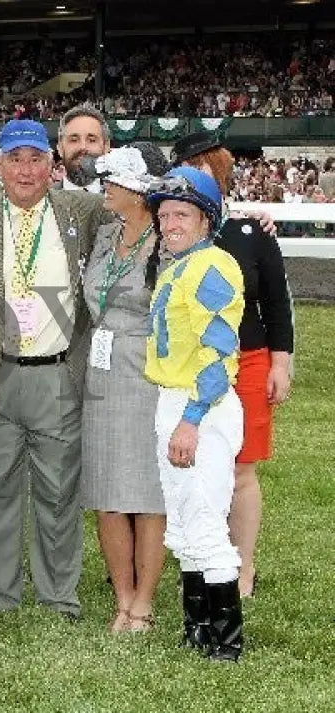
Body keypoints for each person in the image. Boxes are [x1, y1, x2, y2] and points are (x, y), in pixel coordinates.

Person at [0, 119, 107, 619]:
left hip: (58, 373)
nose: (25, 170)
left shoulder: (82, 211)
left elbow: (145, 201)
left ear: (54, 166)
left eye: (36, 159)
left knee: (58, 491)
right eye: (15, 159)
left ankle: (58, 596)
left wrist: (247, 218)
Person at [172, 131, 294, 599]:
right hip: (191, 366)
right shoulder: (173, 232)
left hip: (248, 361)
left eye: (207, 168)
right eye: (190, 168)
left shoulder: (251, 233)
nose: (200, 178)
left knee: (241, 471)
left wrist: (280, 365)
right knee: (196, 469)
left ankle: (243, 570)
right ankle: (201, 561)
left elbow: (277, 305)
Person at [144, 166, 246, 662]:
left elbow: (219, 351)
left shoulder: (212, 266)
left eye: (181, 214)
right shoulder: (179, 266)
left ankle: (227, 641)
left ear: (206, 220)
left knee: (204, 518)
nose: (170, 224)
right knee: (183, 521)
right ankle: (198, 628)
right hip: (174, 399)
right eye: (164, 215)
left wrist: (192, 417)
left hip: (200, 405)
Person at [80, 144, 169, 632]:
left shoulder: (166, 238)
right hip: (102, 370)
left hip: (149, 370)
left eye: (113, 181)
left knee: (148, 490)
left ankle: (145, 602)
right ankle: (122, 598)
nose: (105, 188)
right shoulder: (105, 232)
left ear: (139, 191)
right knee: (107, 486)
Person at [56, 105, 110, 193]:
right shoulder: (41, 200)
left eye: (91, 140)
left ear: (106, 147)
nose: (83, 147)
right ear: (60, 148)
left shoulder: (125, 202)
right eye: (74, 140)